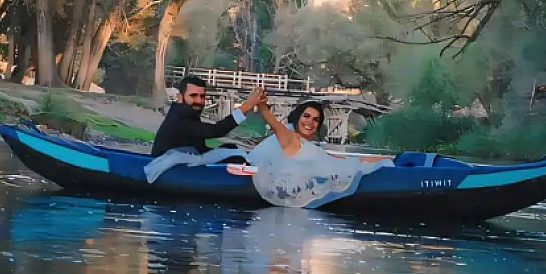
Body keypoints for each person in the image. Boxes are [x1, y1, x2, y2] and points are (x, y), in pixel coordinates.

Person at [248, 94, 391, 207]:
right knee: (350, 165)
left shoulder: (310, 146)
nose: (310, 122)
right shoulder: (289, 138)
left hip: (336, 167)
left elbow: (333, 159)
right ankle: (385, 162)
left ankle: (390, 161)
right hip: (333, 173)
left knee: (351, 162)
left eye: (316, 120)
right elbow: (276, 125)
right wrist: (263, 108)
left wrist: (387, 159)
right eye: (307, 116)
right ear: (298, 117)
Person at [150, 75, 264, 157]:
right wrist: (247, 106)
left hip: (183, 163)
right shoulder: (180, 117)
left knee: (230, 149)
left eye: (202, 96)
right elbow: (216, 131)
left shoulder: (188, 113)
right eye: (193, 96)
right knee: (234, 156)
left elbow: (199, 148)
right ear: (180, 97)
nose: (199, 101)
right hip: (168, 169)